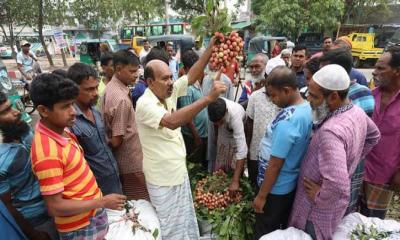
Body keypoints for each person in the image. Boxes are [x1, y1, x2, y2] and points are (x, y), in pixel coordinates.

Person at [135, 37, 227, 239]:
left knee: (184, 221)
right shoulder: (145, 104)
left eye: (171, 76)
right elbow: (171, 121)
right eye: (165, 79)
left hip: (177, 172)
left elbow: (191, 76)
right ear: (150, 82)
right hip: (162, 179)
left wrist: (209, 50)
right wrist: (208, 98)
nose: (170, 82)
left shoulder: (167, 93)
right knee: (169, 226)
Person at [29, 73, 126, 239]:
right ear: (43, 110)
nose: (73, 112)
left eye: (72, 104)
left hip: (90, 217)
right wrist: (102, 202)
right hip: (79, 227)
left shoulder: (63, 131)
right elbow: (55, 207)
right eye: (65, 106)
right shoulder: (46, 153)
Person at [289, 64, 380, 240]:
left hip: (315, 212)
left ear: (334, 96)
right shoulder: (356, 111)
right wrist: (350, 162)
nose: (309, 99)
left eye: (314, 96)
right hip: (332, 207)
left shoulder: (331, 131)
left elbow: (338, 185)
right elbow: (374, 136)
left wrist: (319, 195)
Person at [252, 66, 312, 239]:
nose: (271, 100)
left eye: (273, 95)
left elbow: (275, 164)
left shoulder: (289, 120)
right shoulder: (305, 108)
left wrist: (262, 196)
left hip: (275, 189)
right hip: (286, 184)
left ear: (287, 90)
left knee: (265, 231)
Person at [319, 48, 376, 215]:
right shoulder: (335, 95)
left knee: (337, 208)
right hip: (341, 162)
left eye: (325, 71)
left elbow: (366, 134)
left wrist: (356, 154)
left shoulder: (358, 95)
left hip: (342, 165)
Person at [0, 91, 58, 240]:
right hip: (37, 222)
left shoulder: (24, 131)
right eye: (5, 111)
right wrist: (33, 234)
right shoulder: (2, 159)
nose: (16, 112)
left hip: (58, 205)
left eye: (11, 107)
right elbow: (6, 205)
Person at [67, 63, 123, 196]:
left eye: (96, 87)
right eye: (89, 89)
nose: (96, 93)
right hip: (94, 190)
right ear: (74, 89)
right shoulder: (71, 122)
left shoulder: (96, 112)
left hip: (114, 179)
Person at [102, 50, 149, 201]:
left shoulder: (112, 87)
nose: (136, 75)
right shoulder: (120, 99)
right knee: (140, 203)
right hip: (129, 163)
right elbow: (116, 140)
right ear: (118, 69)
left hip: (129, 160)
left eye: (137, 71)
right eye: (132, 71)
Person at [361, 46, 400, 219]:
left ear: (397, 71)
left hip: (384, 175)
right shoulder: (370, 95)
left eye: (381, 68)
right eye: (375, 67)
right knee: (352, 221)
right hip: (359, 169)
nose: (374, 72)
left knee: (373, 223)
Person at [177, 50, 208, 168]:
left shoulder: (196, 82)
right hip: (193, 137)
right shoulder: (186, 88)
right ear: (188, 68)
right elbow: (187, 117)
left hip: (201, 134)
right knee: (195, 166)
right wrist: (196, 137)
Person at [208, 98, 248, 189]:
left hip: (239, 128)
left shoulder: (235, 117)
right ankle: (220, 182)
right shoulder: (213, 109)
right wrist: (217, 135)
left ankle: (235, 181)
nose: (218, 124)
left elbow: (242, 151)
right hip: (224, 129)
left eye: (220, 121)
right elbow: (215, 123)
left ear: (226, 111)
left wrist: (235, 181)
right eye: (216, 122)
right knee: (221, 155)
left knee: (234, 161)